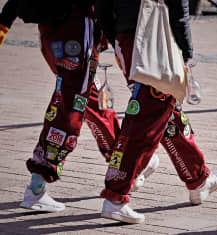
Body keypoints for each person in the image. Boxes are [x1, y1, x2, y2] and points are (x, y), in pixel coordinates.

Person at [0, 0, 159, 212]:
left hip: (51, 29)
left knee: (84, 95)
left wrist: (4, 22)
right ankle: (36, 189)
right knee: (71, 107)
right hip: (76, 26)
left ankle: (124, 162)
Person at [94, 0, 217, 224]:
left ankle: (197, 178)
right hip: (154, 40)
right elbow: (179, 8)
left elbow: (102, 5)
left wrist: (116, 35)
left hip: (127, 39)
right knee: (147, 121)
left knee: (162, 111)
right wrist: (186, 51)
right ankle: (116, 196)